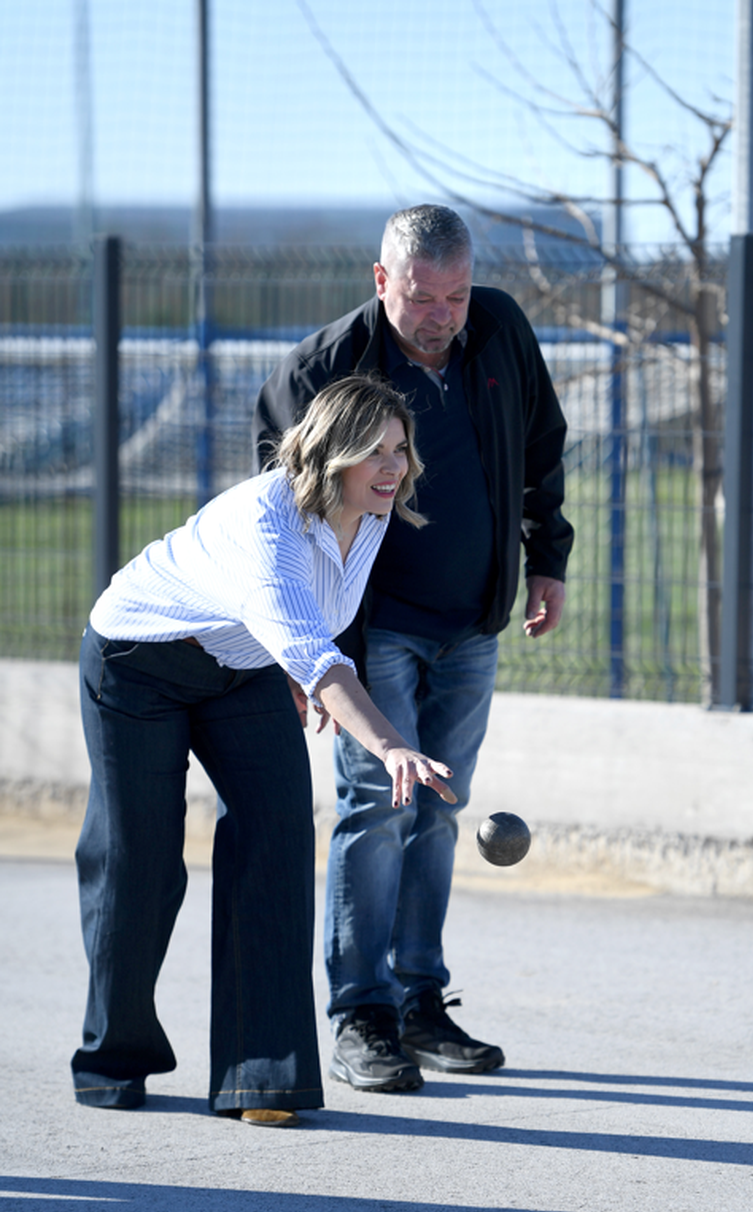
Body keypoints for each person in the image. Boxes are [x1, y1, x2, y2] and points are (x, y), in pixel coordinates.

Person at [72, 374, 455, 1128]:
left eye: (400, 448)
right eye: (373, 450)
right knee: (140, 858)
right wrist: (390, 745)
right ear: (329, 451)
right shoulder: (266, 519)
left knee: (278, 833)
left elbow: (309, 624)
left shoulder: (372, 514)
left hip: (240, 665)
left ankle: (263, 1075)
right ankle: (112, 1055)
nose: (393, 466)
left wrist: (291, 664)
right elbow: (311, 641)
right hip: (138, 659)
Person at [253, 204, 573, 1093]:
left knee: (438, 808)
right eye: (422, 295)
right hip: (371, 629)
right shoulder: (323, 369)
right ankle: (361, 1012)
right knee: (376, 807)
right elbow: (275, 509)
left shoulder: (499, 329)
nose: (441, 314)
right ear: (381, 279)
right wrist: (301, 646)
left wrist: (547, 558)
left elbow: (543, 446)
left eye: (456, 294)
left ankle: (420, 1000)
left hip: (472, 621)